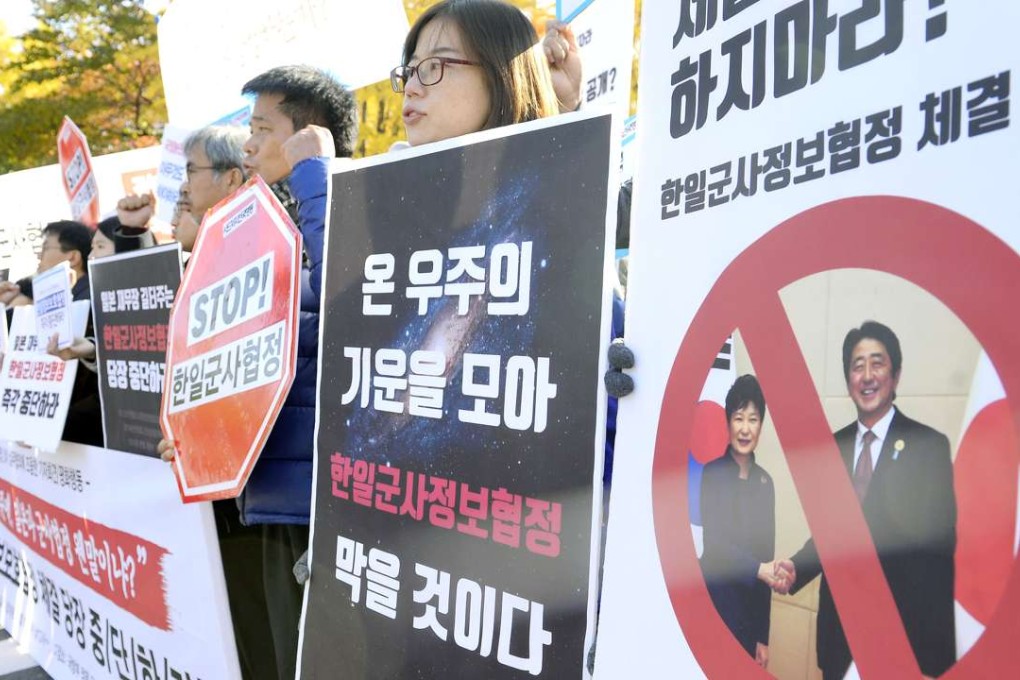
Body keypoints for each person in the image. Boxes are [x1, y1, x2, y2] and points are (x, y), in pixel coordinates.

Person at [161, 65, 358, 680]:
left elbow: (343, 303)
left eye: (260, 128)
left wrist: (316, 176)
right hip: (268, 491)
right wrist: (194, 435)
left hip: (322, 499)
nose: (246, 145)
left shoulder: (345, 204)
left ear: (309, 135)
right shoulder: (256, 224)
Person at [772, 321, 957, 679]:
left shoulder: (929, 446)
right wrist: (798, 567)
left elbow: (940, 547)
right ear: (848, 380)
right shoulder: (831, 447)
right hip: (840, 639)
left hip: (904, 640)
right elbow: (830, 535)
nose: (868, 375)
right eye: (858, 366)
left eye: (878, 363)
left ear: (896, 374)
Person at [700, 374, 776, 668]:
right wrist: (759, 569)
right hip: (716, 608)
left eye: (753, 419)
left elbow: (766, 555)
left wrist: (763, 636)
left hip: (748, 620)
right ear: (728, 422)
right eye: (739, 418)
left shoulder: (765, 482)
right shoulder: (712, 473)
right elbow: (715, 546)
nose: (745, 429)